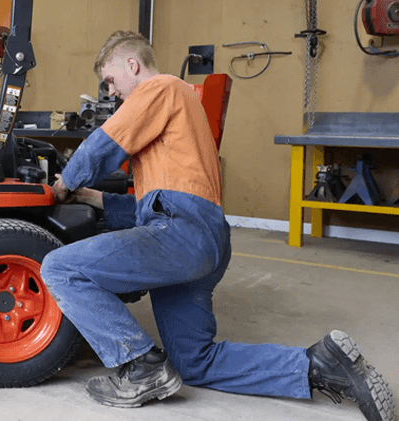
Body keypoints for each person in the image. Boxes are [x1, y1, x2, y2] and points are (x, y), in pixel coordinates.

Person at [39, 30, 396, 421]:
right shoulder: (178, 107)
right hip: (200, 238)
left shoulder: (160, 87)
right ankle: (321, 364)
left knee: (61, 267)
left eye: (110, 80)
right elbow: (155, 201)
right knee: (195, 362)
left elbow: (103, 145)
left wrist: (63, 185)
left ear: (132, 64)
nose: (111, 91)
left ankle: (141, 366)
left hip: (180, 233)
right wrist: (95, 199)